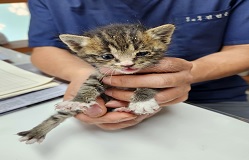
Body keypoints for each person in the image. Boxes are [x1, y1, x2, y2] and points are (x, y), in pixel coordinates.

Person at [27, 0, 249, 130]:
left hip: (215, 95)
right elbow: (44, 48)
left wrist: (183, 75)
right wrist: (87, 76)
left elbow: (243, 48)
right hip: (108, 91)